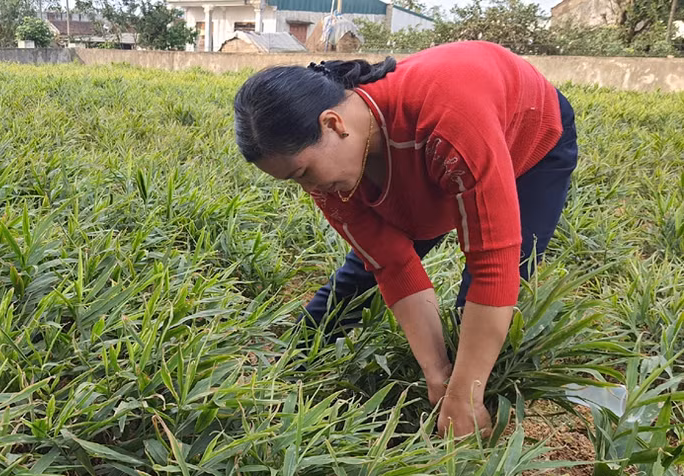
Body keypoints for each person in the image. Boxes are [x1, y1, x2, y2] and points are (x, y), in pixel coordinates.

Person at [233, 41, 578, 438]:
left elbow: (493, 263)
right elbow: (391, 262)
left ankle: (479, 404)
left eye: (302, 173)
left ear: (332, 124)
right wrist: (436, 373)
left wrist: (464, 390)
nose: (308, 188)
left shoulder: (445, 120)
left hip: (527, 137)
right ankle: (293, 355)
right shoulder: (330, 168)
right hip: (428, 151)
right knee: (364, 269)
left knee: (498, 276)